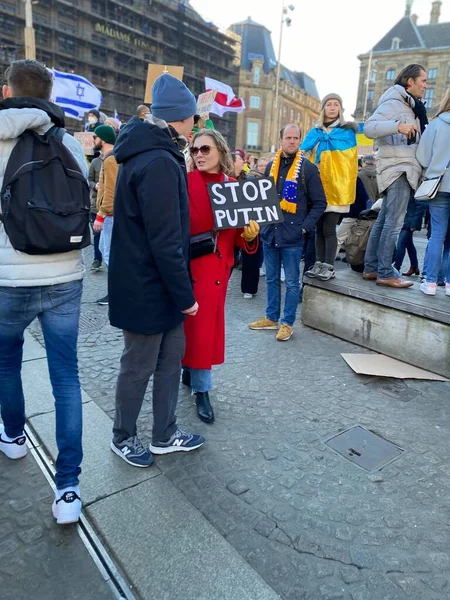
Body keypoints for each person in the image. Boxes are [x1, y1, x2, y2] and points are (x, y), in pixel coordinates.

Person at [0, 59, 88, 524]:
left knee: (6, 363)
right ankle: (69, 489)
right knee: (66, 379)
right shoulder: (70, 141)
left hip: (8, 279)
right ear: (50, 95)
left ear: (6, 91)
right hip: (63, 276)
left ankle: (13, 436)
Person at [108, 74, 204, 467]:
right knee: (142, 364)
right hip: (152, 285)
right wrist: (186, 296)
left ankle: (164, 434)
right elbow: (166, 240)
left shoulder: (146, 153)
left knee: (166, 361)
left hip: (147, 281)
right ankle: (124, 436)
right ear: (182, 118)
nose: (195, 125)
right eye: (193, 118)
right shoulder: (160, 161)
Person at [182, 130, 259, 423]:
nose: (199, 154)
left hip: (216, 270)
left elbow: (242, 238)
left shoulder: (233, 187)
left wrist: (250, 235)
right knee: (189, 327)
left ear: (221, 153)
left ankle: (201, 388)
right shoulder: (184, 183)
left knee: (203, 330)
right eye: (194, 150)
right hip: (188, 267)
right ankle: (190, 373)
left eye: (205, 149)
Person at [249, 124, 327, 341]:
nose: (292, 141)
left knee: (292, 282)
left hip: (292, 236)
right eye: (288, 137)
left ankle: (287, 322)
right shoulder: (271, 166)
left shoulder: (308, 169)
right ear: (281, 139)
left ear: (300, 140)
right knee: (271, 279)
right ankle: (271, 317)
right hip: (270, 233)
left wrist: (304, 227)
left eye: (295, 138)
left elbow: (320, 203)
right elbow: (263, 199)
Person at [362, 64, 428, 288]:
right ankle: (385, 273)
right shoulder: (394, 102)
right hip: (398, 168)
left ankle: (371, 268)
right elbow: (369, 128)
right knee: (394, 223)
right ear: (410, 81)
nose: (425, 86)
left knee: (383, 221)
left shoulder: (410, 105)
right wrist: (398, 126)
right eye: (423, 81)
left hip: (402, 167)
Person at [301, 93, 358, 281]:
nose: (332, 107)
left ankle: (329, 266)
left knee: (329, 228)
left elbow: (349, 162)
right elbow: (303, 155)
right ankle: (319, 263)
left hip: (336, 187)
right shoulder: (315, 132)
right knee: (318, 228)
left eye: (336, 104)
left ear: (340, 109)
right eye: (329, 104)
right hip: (317, 188)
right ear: (323, 108)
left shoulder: (346, 132)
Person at [417, 89, 450, 297]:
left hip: (438, 185)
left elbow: (422, 155)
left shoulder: (437, 123)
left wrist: (433, 169)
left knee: (437, 234)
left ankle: (430, 282)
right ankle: (449, 284)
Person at [92, 125, 118, 306]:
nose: (93, 140)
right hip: (111, 214)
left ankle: (116, 293)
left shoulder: (110, 160)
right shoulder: (110, 158)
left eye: (95, 137)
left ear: (103, 139)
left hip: (110, 215)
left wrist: (101, 215)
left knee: (109, 254)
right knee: (106, 251)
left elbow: (110, 192)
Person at [393, 195, 426, 276]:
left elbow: (421, 206)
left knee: (401, 244)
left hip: (409, 221)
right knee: (409, 244)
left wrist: (414, 223)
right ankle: (414, 266)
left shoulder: (416, 188)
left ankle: (396, 268)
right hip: (405, 220)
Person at [88, 155, 103, 270]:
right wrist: (94, 185)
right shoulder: (95, 162)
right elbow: (90, 179)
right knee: (97, 234)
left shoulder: (115, 159)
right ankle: (97, 259)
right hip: (96, 205)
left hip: (109, 205)